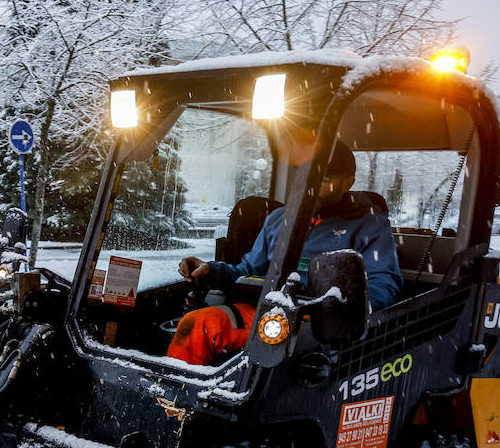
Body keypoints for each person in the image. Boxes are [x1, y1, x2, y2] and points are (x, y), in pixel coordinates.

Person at [167, 142, 401, 366]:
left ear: (348, 182)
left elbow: (384, 283)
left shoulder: (370, 226)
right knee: (197, 325)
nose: (312, 186)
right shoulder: (279, 219)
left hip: (321, 327)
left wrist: (339, 308)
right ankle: (172, 404)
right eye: (308, 177)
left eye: (325, 179)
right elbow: (248, 270)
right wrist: (211, 270)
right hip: (266, 314)